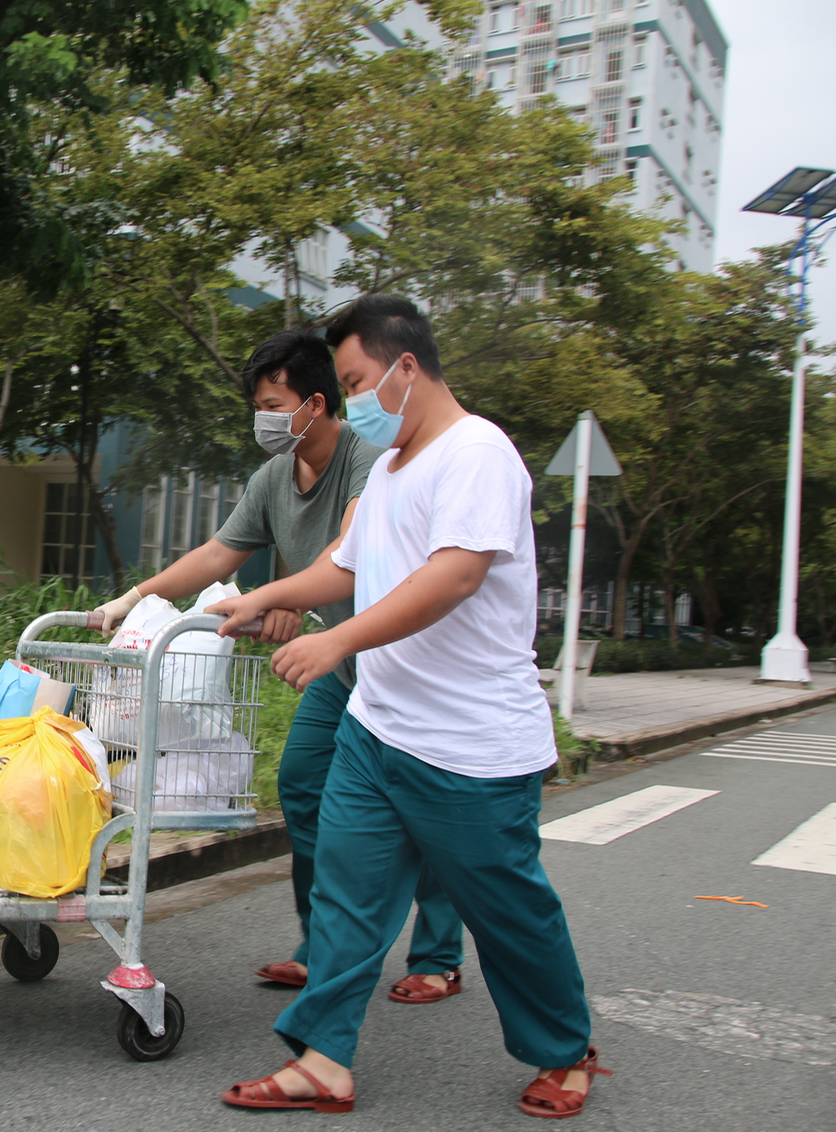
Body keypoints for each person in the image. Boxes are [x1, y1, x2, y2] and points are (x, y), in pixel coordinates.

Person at [209, 295, 605, 1119]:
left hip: (470, 748)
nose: (353, 401)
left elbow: (454, 575)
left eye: (356, 382)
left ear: (407, 368)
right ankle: (323, 1060)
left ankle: (564, 1048)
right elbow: (344, 569)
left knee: (508, 913)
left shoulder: (477, 453)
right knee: (346, 899)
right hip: (378, 727)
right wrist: (258, 598)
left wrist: (339, 643)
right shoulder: (388, 471)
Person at [93, 329, 466, 1006]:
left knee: (425, 806)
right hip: (336, 660)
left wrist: (278, 599)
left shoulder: (368, 462)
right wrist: (137, 596)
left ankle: (438, 953)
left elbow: (344, 557)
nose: (263, 419)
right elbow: (215, 556)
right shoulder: (273, 477)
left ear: (317, 403)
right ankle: (323, 945)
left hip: (399, 658)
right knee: (300, 784)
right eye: (258, 405)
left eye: (273, 403)